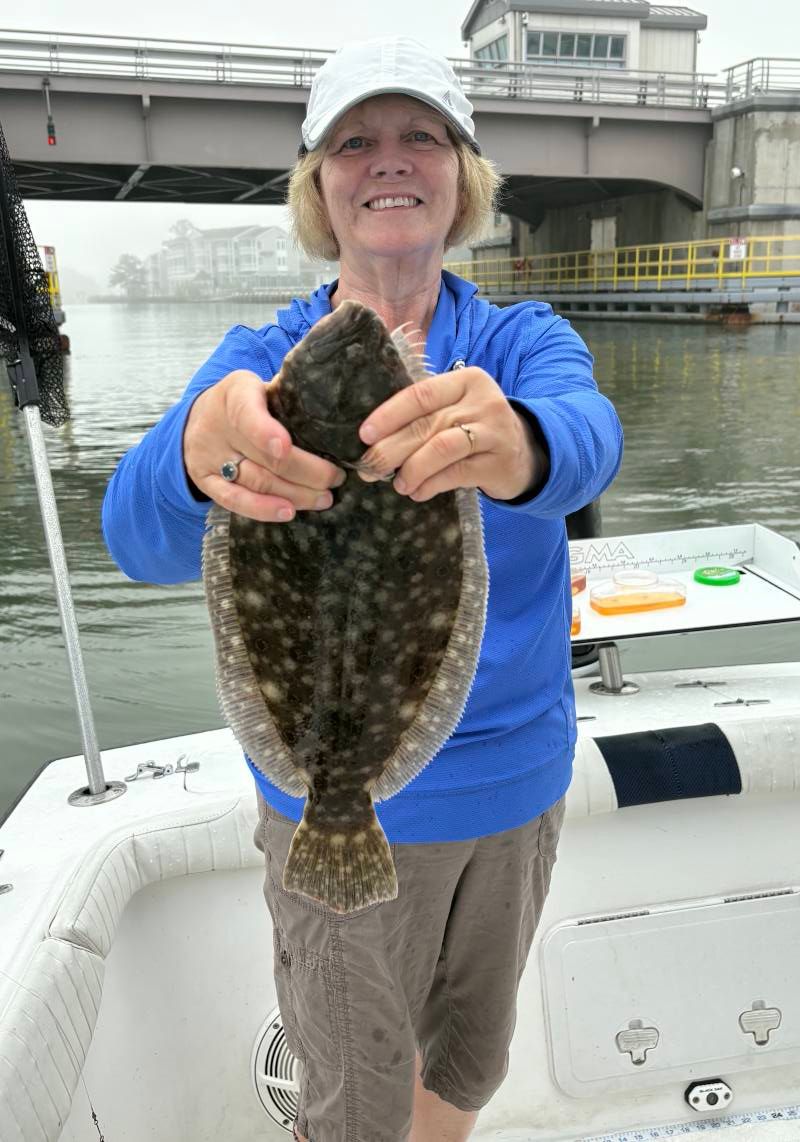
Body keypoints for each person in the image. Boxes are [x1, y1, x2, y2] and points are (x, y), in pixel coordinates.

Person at [102, 36, 623, 1142]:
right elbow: (133, 536)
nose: (389, 160)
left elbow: (585, 440)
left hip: (515, 787)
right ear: (317, 186)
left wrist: (519, 443)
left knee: (468, 1060)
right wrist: (198, 449)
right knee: (351, 1100)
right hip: (328, 805)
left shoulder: (518, 341)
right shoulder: (259, 366)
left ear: (461, 173)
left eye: (420, 134)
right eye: (354, 141)